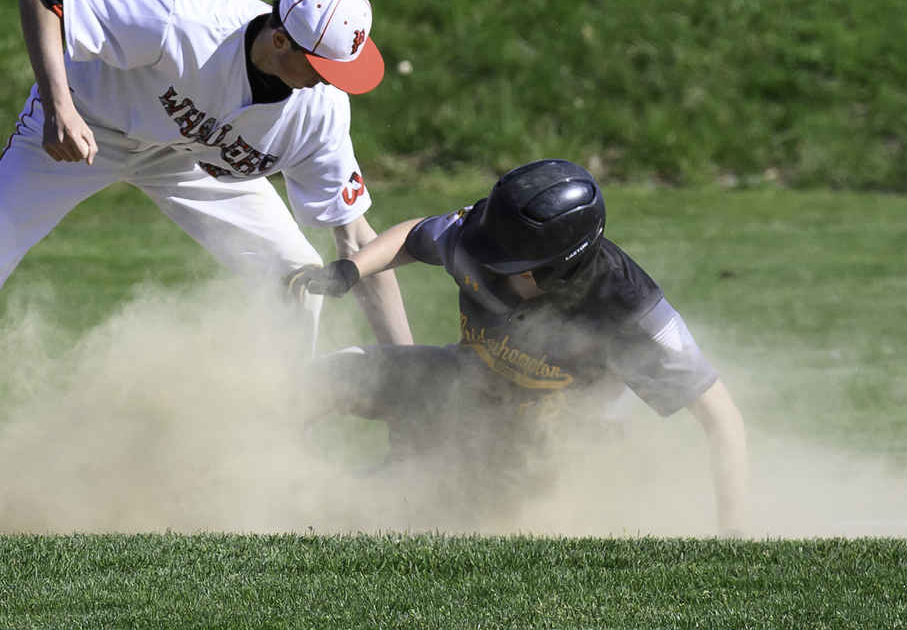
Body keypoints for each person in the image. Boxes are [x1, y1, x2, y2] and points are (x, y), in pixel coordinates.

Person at [0, 0, 413, 410]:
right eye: (324, 66)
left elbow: (358, 239)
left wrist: (409, 375)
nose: (333, 84)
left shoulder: (321, 113)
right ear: (280, 40)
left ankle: (270, 455)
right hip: (84, 126)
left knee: (295, 280)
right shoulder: (185, 19)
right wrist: (57, 105)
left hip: (186, 158)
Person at [283, 159, 747, 536]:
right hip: (461, 383)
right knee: (333, 374)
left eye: (511, 265)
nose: (487, 265)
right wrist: (351, 271)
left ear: (559, 271)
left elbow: (721, 418)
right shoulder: (483, 235)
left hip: (540, 456)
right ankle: (241, 465)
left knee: (380, 508)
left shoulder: (630, 315)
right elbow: (415, 235)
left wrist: (733, 535)